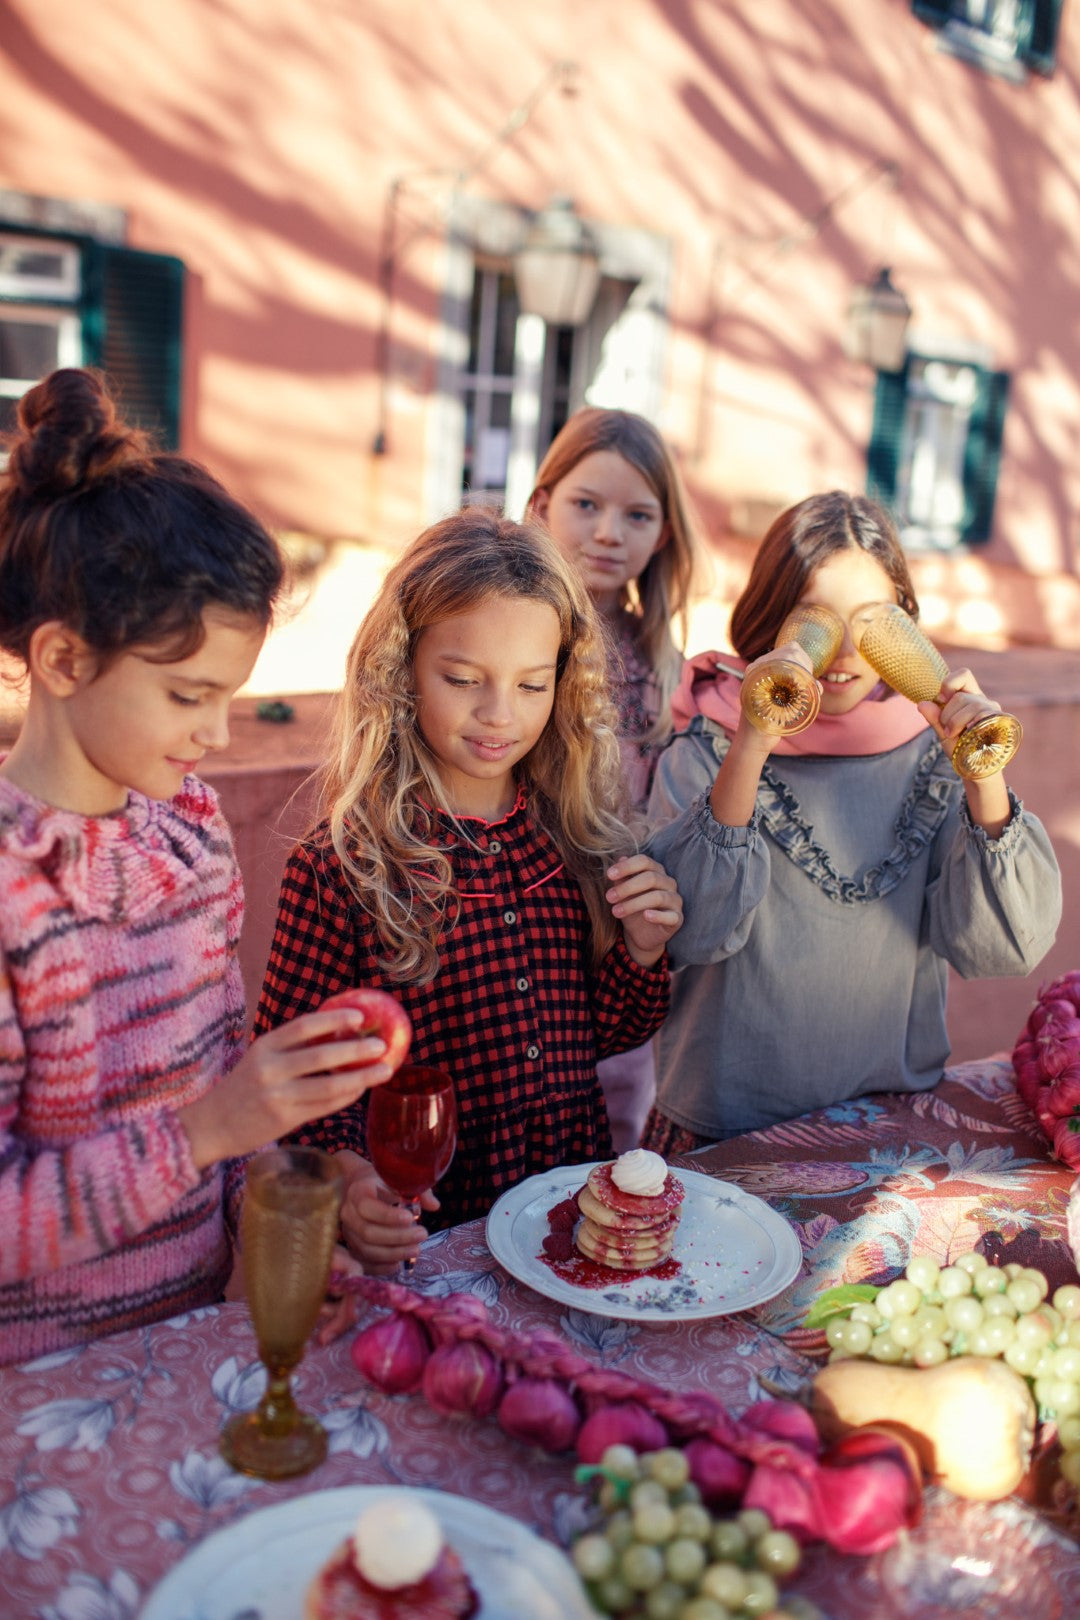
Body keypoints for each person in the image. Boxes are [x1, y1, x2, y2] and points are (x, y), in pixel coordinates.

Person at [0, 368, 394, 1363]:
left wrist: (286, 1235)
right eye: (187, 697)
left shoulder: (189, 833)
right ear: (60, 663)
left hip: (182, 1343)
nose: (216, 733)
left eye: (231, 695)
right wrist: (208, 1129)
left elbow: (229, 1092)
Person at [254, 510, 683, 1272]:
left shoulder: (578, 840)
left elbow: (608, 1033)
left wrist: (643, 951)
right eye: (462, 680)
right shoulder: (342, 866)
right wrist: (352, 1185)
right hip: (434, 1252)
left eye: (531, 684)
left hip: (567, 1240)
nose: (499, 715)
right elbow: (301, 1092)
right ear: (401, 670)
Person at [642, 490, 1062, 1150]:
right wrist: (753, 739)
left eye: (871, 624)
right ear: (770, 620)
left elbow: (1003, 947)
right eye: (815, 623)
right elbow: (693, 932)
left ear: (906, 628)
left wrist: (983, 773)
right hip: (723, 1133)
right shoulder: (706, 748)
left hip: (888, 1130)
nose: (840, 653)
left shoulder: (934, 757)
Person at [526, 407, 701, 1149]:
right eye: (585, 505)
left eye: (636, 515)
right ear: (541, 505)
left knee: (612, 1142)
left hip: (618, 951)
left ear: (662, 535)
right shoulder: (512, 634)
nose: (607, 533)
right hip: (518, 930)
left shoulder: (665, 668)